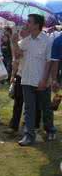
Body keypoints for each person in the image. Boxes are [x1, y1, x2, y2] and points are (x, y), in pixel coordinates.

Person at [12, 14, 57, 146]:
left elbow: (50, 62)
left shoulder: (47, 40)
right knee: (29, 109)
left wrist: (44, 80)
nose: (27, 24)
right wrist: (14, 42)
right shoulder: (27, 40)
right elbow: (17, 55)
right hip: (26, 80)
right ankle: (29, 135)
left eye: (29, 22)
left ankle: (50, 129)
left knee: (46, 108)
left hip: (41, 81)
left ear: (37, 25)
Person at [4, 26, 30, 135]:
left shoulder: (30, 43)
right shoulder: (20, 43)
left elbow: (19, 55)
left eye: (23, 29)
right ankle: (14, 126)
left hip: (30, 76)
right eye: (20, 30)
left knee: (29, 103)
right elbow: (16, 60)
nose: (20, 32)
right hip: (20, 75)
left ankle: (28, 125)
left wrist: (13, 42)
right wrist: (13, 76)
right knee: (18, 101)